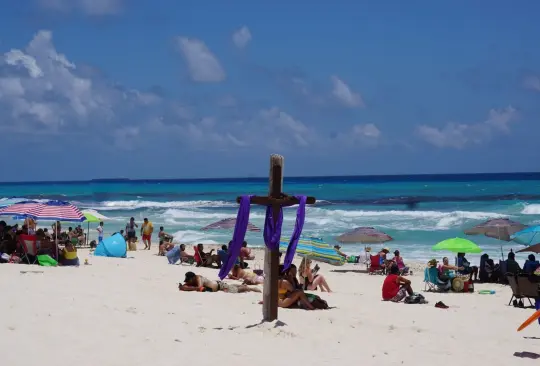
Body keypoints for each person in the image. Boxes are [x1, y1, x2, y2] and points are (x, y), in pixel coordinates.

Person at [179, 271, 261, 293]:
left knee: (237, 290)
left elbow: (199, 287)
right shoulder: (194, 279)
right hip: (218, 286)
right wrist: (185, 286)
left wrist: (185, 288)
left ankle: (252, 289)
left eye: (188, 280)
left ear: (193, 278)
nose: (188, 282)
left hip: (220, 286)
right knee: (233, 286)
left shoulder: (198, 278)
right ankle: (246, 286)